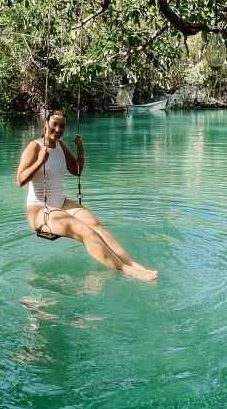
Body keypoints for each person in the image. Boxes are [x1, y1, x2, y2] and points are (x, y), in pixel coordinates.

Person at [16, 109, 157, 281]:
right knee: (85, 231)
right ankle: (126, 270)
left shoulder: (60, 145)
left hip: (60, 203)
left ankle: (131, 263)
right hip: (39, 210)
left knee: (96, 227)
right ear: (45, 124)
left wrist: (80, 149)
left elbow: (76, 170)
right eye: (54, 125)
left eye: (62, 126)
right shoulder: (34, 147)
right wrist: (39, 161)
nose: (58, 130)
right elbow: (20, 181)